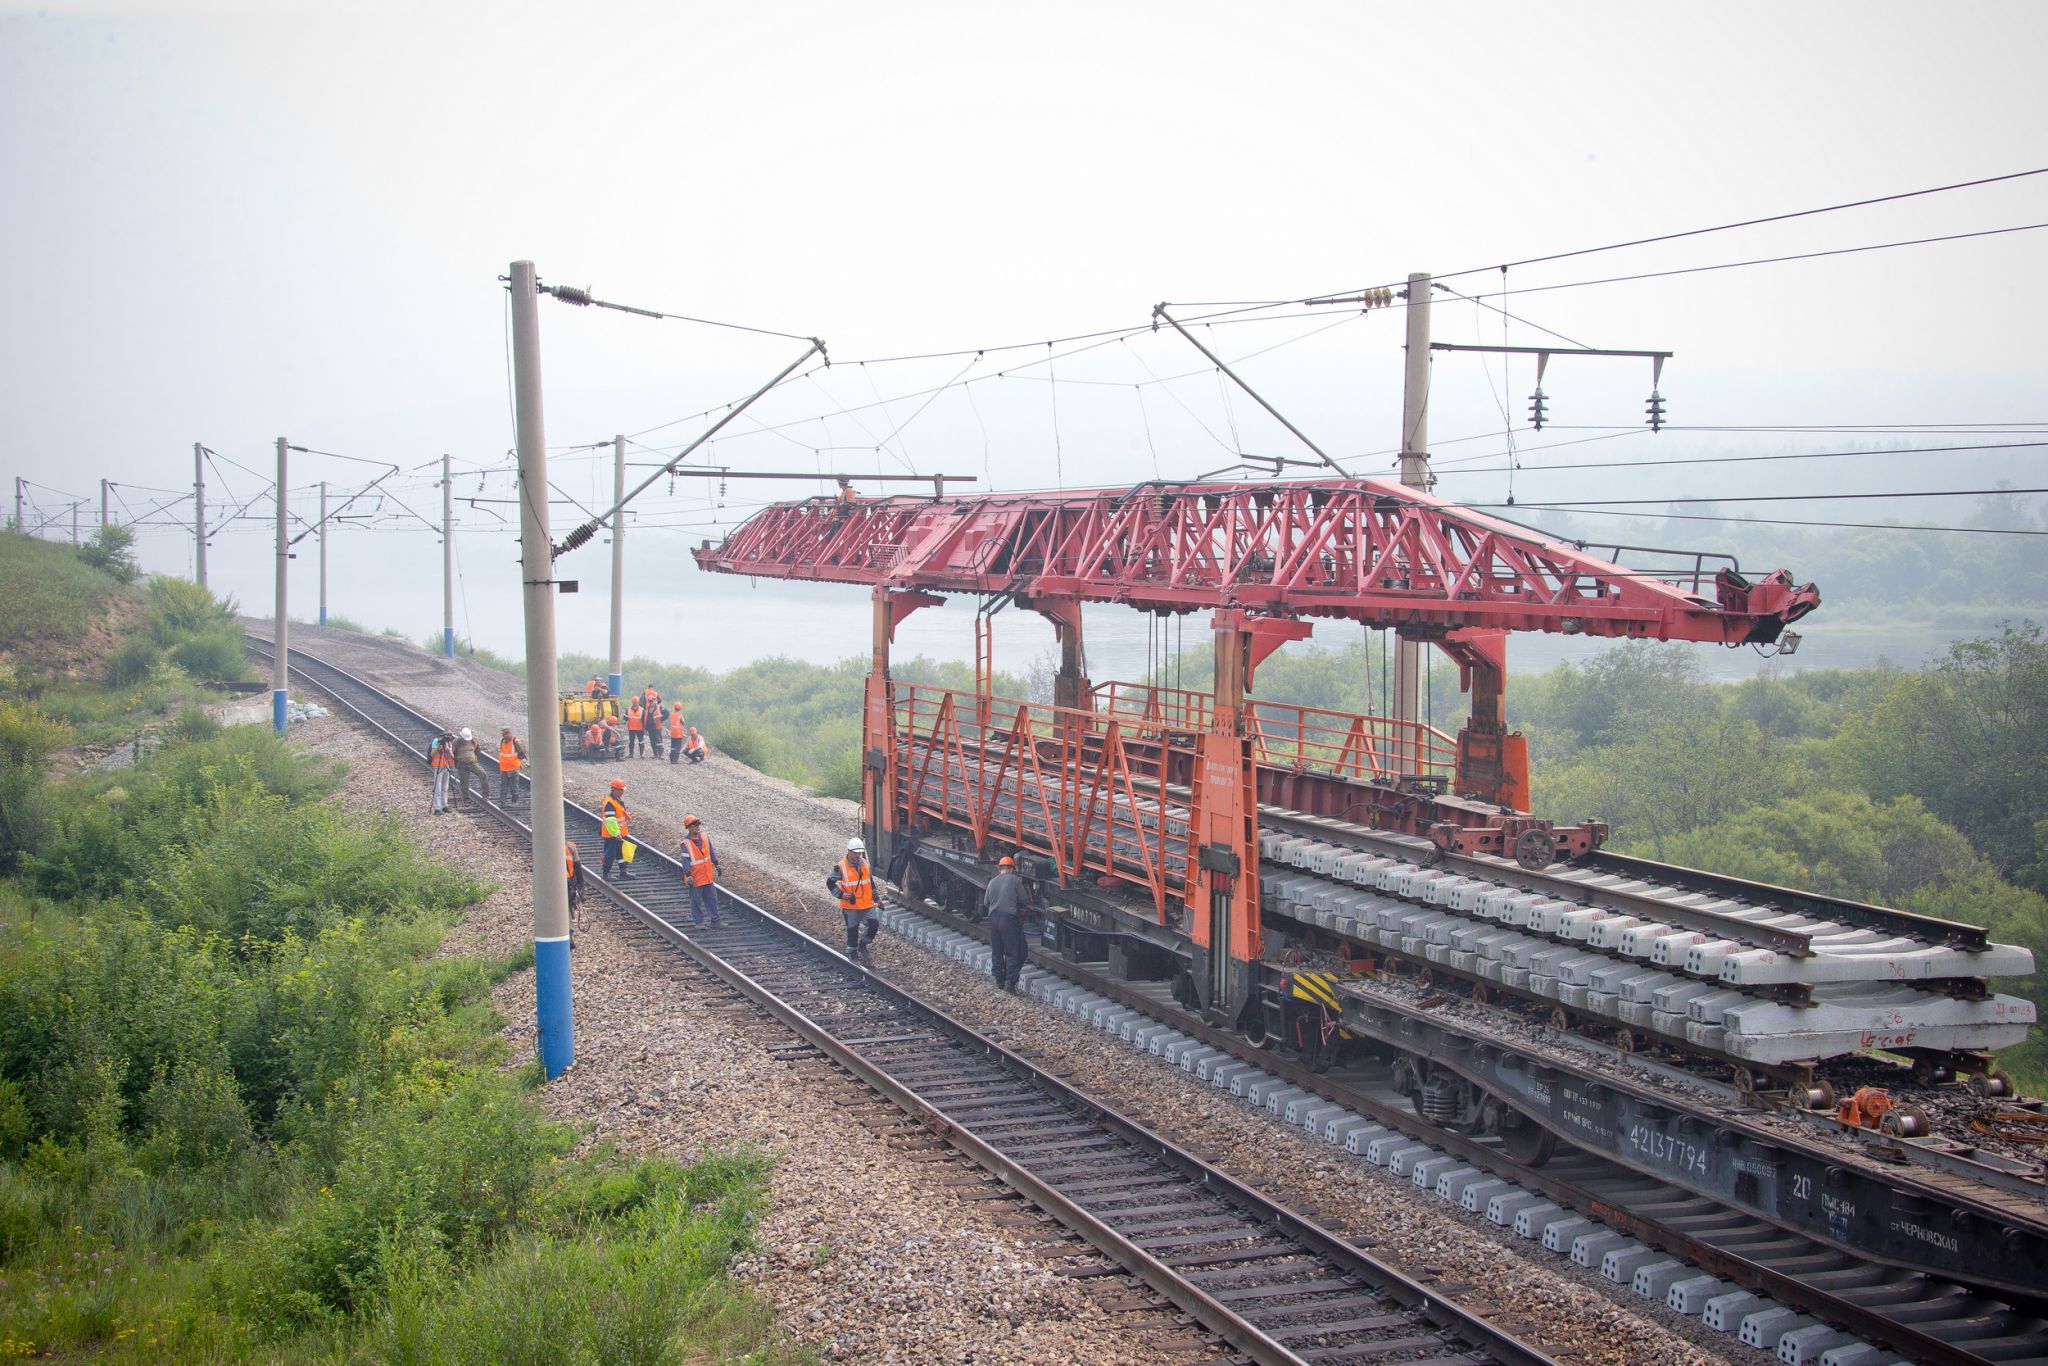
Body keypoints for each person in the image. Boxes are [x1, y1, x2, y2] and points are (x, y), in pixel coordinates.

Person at [984, 855, 1030, 992]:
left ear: (1000, 869)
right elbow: (1024, 898)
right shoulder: (1015, 880)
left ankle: (999, 980)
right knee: (1014, 951)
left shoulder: (992, 882)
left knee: (997, 950)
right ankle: (1010, 982)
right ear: (1012, 869)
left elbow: (986, 902)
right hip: (1008, 919)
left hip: (993, 918)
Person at [827, 836, 878, 960]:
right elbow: (830, 882)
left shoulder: (864, 863)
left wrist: (876, 898)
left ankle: (863, 945)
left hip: (866, 903)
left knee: (873, 924)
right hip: (851, 905)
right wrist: (840, 895)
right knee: (852, 930)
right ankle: (852, 952)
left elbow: (870, 882)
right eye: (855, 853)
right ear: (849, 851)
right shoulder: (840, 867)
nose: (857, 855)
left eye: (859, 853)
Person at [676, 816, 722, 926]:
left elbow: (711, 852)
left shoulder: (705, 837)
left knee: (712, 899)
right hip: (695, 878)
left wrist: (717, 864)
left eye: (698, 824)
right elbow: (685, 861)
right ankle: (699, 922)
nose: (697, 827)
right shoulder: (685, 844)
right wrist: (688, 875)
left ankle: (715, 920)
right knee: (696, 901)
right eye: (694, 825)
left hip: (707, 876)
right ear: (688, 828)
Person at [600, 779, 632, 881]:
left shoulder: (616, 801)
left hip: (619, 834)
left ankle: (623, 871)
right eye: (620, 790)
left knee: (621, 853)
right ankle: (606, 873)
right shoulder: (610, 803)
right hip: (612, 835)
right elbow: (610, 820)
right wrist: (616, 833)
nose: (622, 792)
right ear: (613, 789)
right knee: (610, 854)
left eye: (622, 790)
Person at [452, 727, 485, 809]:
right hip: (462, 765)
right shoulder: (456, 742)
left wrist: (474, 758)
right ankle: (466, 799)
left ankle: (485, 794)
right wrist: (456, 762)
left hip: (473, 763)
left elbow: (477, 751)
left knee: (483, 774)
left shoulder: (473, 741)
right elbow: (452, 753)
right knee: (464, 783)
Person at [496, 727, 527, 804]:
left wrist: (523, 761)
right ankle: (503, 802)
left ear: (509, 733)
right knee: (503, 786)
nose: (504, 735)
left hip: (513, 768)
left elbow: (522, 753)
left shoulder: (516, 742)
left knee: (514, 786)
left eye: (505, 733)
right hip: (504, 768)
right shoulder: (502, 741)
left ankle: (514, 801)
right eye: (503, 734)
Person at [428, 729, 456, 814]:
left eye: (450, 735)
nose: (448, 737)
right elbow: (432, 754)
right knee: (438, 788)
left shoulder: (449, 743)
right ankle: (437, 808)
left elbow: (452, 756)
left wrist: (448, 750)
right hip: (437, 766)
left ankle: (444, 805)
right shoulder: (436, 741)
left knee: (445, 787)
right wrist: (438, 747)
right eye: (447, 735)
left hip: (445, 766)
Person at [565, 839, 585, 942]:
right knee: (567, 908)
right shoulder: (570, 846)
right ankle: (568, 936)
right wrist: (581, 885)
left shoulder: (546, 845)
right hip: (567, 882)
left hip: (553, 883)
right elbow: (578, 866)